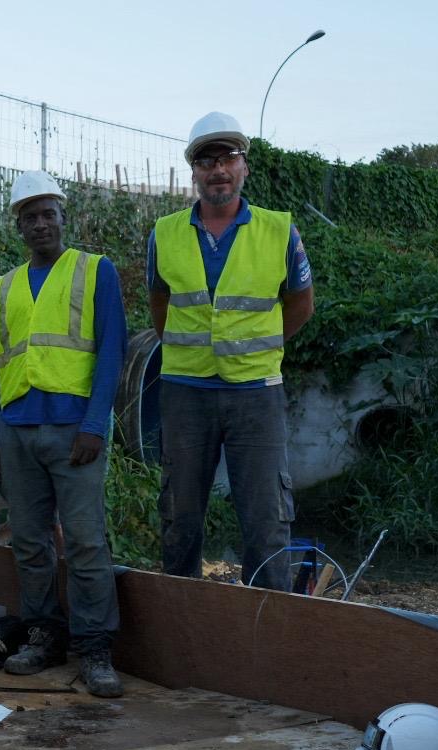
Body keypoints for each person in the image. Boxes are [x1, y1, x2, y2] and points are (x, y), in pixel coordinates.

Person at [148, 112, 314, 591]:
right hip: (185, 393)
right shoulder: (165, 233)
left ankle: (268, 630)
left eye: (228, 158)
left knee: (266, 521)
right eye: (206, 160)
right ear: (193, 171)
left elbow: (301, 304)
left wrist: (257, 350)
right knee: (180, 517)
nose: (217, 169)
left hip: (256, 393)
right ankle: (182, 623)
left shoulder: (280, 230)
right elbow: (159, 304)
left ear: (244, 166)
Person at [0, 171, 127, 698]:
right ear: (17, 225)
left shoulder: (95, 272)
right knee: (29, 542)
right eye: (30, 216)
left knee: (86, 542)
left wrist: (94, 424)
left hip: (74, 434)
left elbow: (113, 350)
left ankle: (95, 648)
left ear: (64, 218)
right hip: (17, 430)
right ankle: (44, 636)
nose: (40, 223)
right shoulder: (5, 288)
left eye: (49, 213)